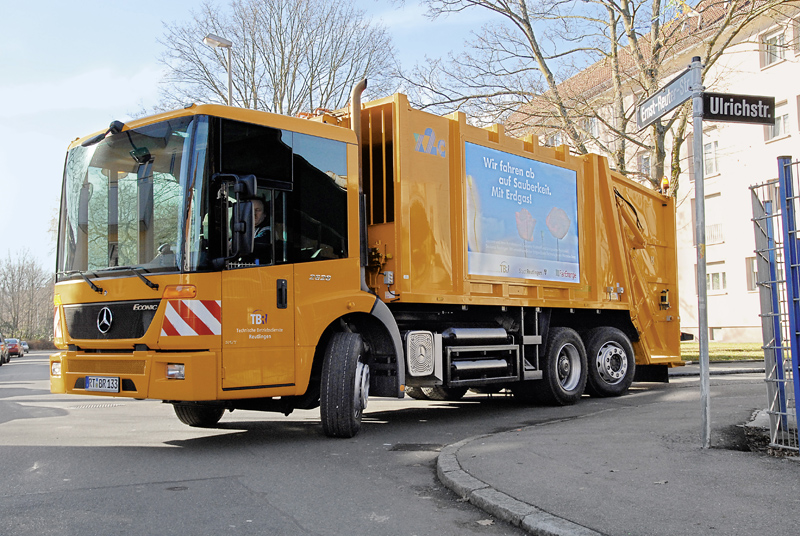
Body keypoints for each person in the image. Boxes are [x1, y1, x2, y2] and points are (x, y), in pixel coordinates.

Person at [251, 197, 271, 264]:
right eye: (250, 209)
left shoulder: (268, 230)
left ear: (264, 214)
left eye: (258, 210)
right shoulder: (241, 229)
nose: (254, 213)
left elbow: (261, 241)